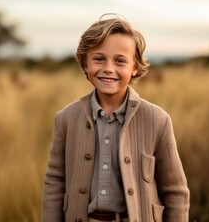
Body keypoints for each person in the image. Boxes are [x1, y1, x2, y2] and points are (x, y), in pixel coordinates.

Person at [41, 14, 190, 222]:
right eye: (99, 58)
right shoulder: (65, 118)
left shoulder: (157, 120)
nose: (108, 68)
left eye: (120, 61)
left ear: (135, 67)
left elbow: (175, 192)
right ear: (85, 63)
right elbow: (55, 182)